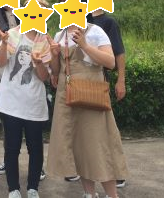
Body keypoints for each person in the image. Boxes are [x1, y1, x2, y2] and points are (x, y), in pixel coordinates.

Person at [47, 12, 129, 198]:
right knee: (78, 147)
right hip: (67, 97)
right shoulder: (60, 35)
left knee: (100, 145)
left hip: (92, 96)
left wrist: (84, 45)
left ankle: (112, 195)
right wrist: (54, 54)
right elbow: (57, 71)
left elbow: (110, 62)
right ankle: (89, 193)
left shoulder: (95, 31)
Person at [0, 0, 47, 181]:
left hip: (32, 80)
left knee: (33, 132)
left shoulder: (28, 16)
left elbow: (46, 72)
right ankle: (7, 160)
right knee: (9, 124)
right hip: (5, 74)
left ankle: (37, 167)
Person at [0, 0, 59, 198]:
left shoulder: (45, 41)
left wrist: (39, 63)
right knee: (12, 148)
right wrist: (4, 44)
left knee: (35, 148)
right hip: (10, 103)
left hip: (34, 104)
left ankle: (33, 188)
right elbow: (1, 63)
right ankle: (13, 189)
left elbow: (44, 77)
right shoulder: (13, 34)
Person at [87, 0, 127, 189]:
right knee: (86, 130)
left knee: (106, 129)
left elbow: (119, 53)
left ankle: (116, 172)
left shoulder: (109, 22)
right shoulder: (81, 18)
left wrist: (121, 80)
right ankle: (85, 171)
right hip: (80, 82)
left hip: (100, 79)